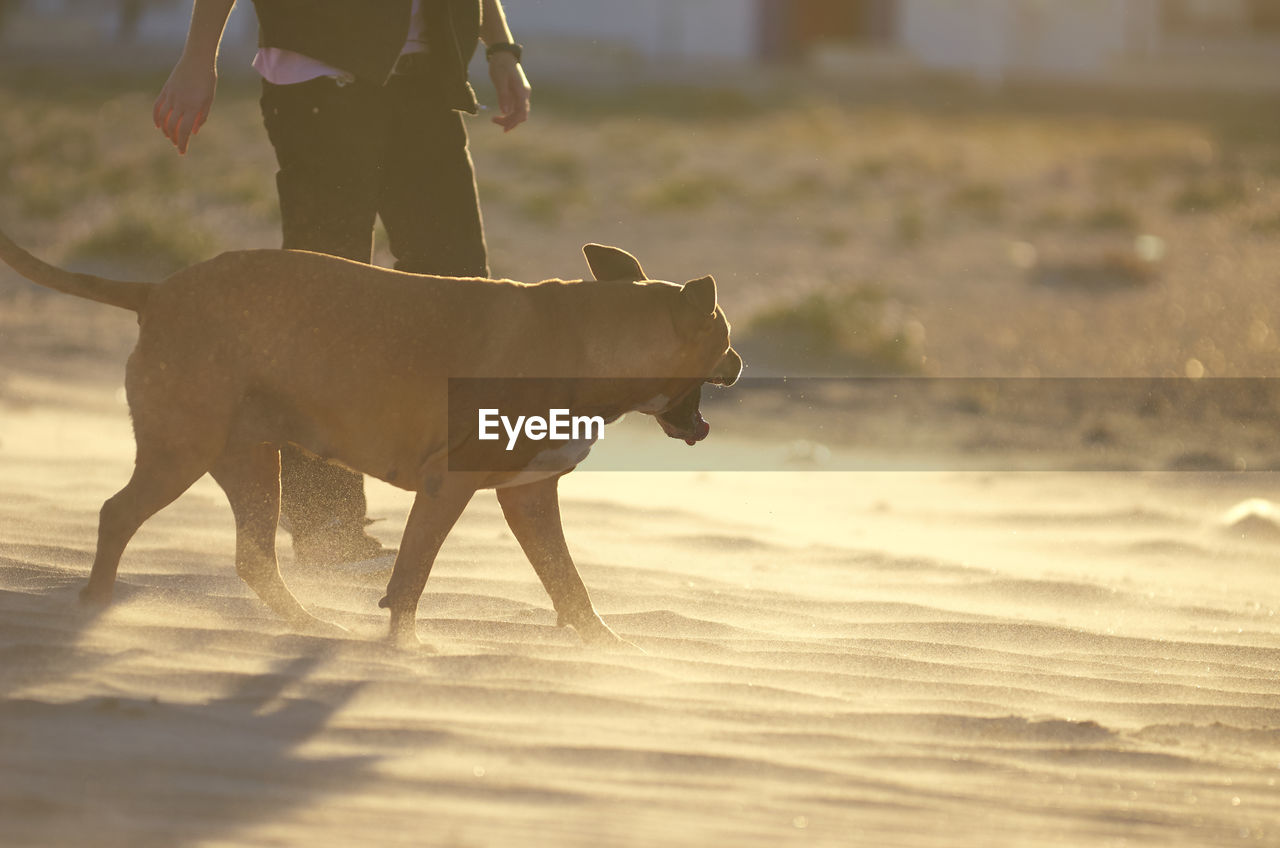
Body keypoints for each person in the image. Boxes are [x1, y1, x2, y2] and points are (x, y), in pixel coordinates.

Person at [153, 0, 531, 565]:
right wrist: (197, 59)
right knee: (326, 310)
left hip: (425, 85)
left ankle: (411, 463)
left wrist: (500, 51)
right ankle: (324, 522)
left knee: (459, 290)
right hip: (319, 81)